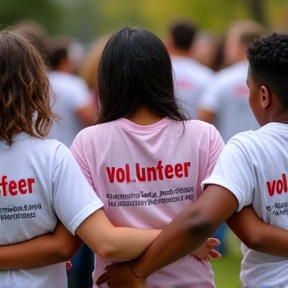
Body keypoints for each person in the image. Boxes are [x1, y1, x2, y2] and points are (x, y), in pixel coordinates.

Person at [0, 29, 220, 288]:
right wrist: (187, 241)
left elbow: (76, 243)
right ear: (164, 74)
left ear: (106, 79)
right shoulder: (204, 136)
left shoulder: (89, 142)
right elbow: (73, 243)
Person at [96, 32, 288, 288]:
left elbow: (207, 223)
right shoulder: (209, 137)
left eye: (249, 89)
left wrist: (138, 271)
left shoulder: (248, 149)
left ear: (264, 95)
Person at [198, 19, 265, 143]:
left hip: (229, 153)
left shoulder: (221, 79)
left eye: (230, 45)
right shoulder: (271, 78)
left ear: (244, 46)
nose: (226, 51)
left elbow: (204, 118)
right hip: (267, 153)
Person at [46, 35, 95, 147]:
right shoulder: (73, 84)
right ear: (65, 60)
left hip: (43, 153)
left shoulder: (39, 83)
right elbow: (89, 117)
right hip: (71, 150)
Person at [165, 19, 214, 119]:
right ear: (194, 44)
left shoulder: (157, 73)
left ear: (170, 41)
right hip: (197, 133)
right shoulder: (207, 76)